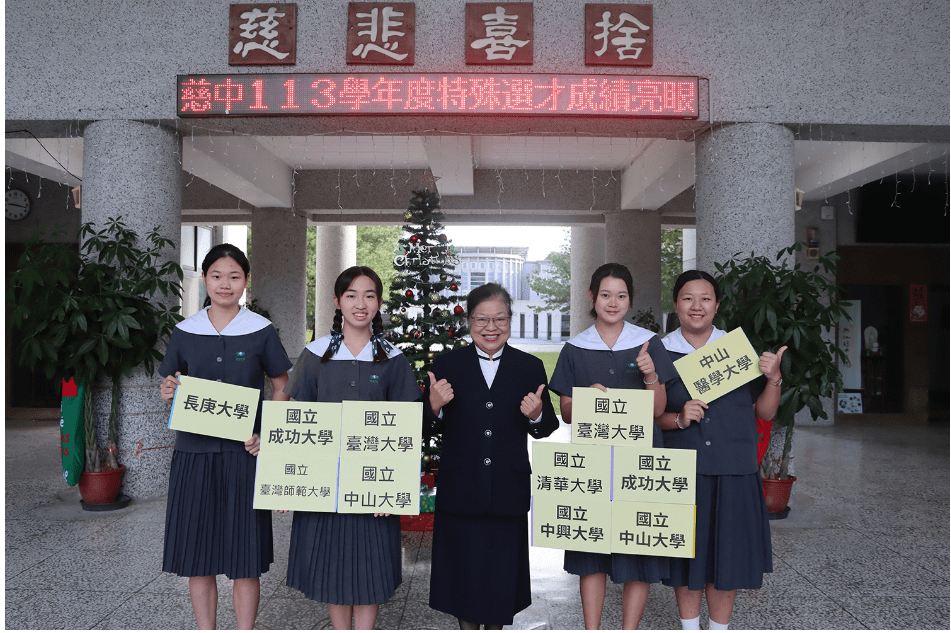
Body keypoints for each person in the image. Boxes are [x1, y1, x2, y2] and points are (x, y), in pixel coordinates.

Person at [158, 243, 292, 630]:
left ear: (246, 281)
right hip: (194, 454)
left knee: (245, 556)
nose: (225, 284)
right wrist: (167, 389)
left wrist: (268, 433)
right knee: (197, 554)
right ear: (204, 279)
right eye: (217, 275)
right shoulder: (185, 331)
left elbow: (282, 385)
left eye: (234, 276)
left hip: (244, 456)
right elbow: (171, 382)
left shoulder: (260, 330)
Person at [283, 266, 420, 630]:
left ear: (379, 303)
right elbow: (299, 420)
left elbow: (405, 428)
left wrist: (391, 488)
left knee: (371, 568)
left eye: (369, 296)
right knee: (332, 567)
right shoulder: (314, 355)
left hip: (374, 486)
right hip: (325, 484)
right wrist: (287, 481)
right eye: (351, 295)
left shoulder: (392, 358)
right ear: (337, 301)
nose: (361, 304)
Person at [548, 263, 677, 630]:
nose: (613, 302)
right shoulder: (576, 347)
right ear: (592, 297)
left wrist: (650, 374)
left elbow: (658, 409)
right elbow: (567, 412)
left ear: (630, 299)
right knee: (591, 551)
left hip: (639, 460)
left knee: (638, 547)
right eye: (605, 294)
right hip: (592, 462)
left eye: (621, 295)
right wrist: (586, 397)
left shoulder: (648, 343)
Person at [425, 283, 560, 630]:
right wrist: (434, 406)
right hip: (461, 489)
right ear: (469, 321)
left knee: (500, 586)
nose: (491, 327)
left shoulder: (529, 366)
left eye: (500, 318)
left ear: (510, 321)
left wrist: (537, 415)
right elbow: (422, 426)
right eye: (481, 319)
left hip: (506, 491)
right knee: (463, 585)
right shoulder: (447, 364)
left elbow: (547, 426)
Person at [658, 270, 781, 631]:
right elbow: (649, 416)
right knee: (686, 557)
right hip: (683, 470)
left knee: (728, 559)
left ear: (717, 305)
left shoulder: (736, 351)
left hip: (734, 469)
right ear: (676, 304)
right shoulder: (660, 352)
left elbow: (765, 412)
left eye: (705, 298)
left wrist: (774, 378)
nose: (696, 306)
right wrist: (679, 418)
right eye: (687, 298)